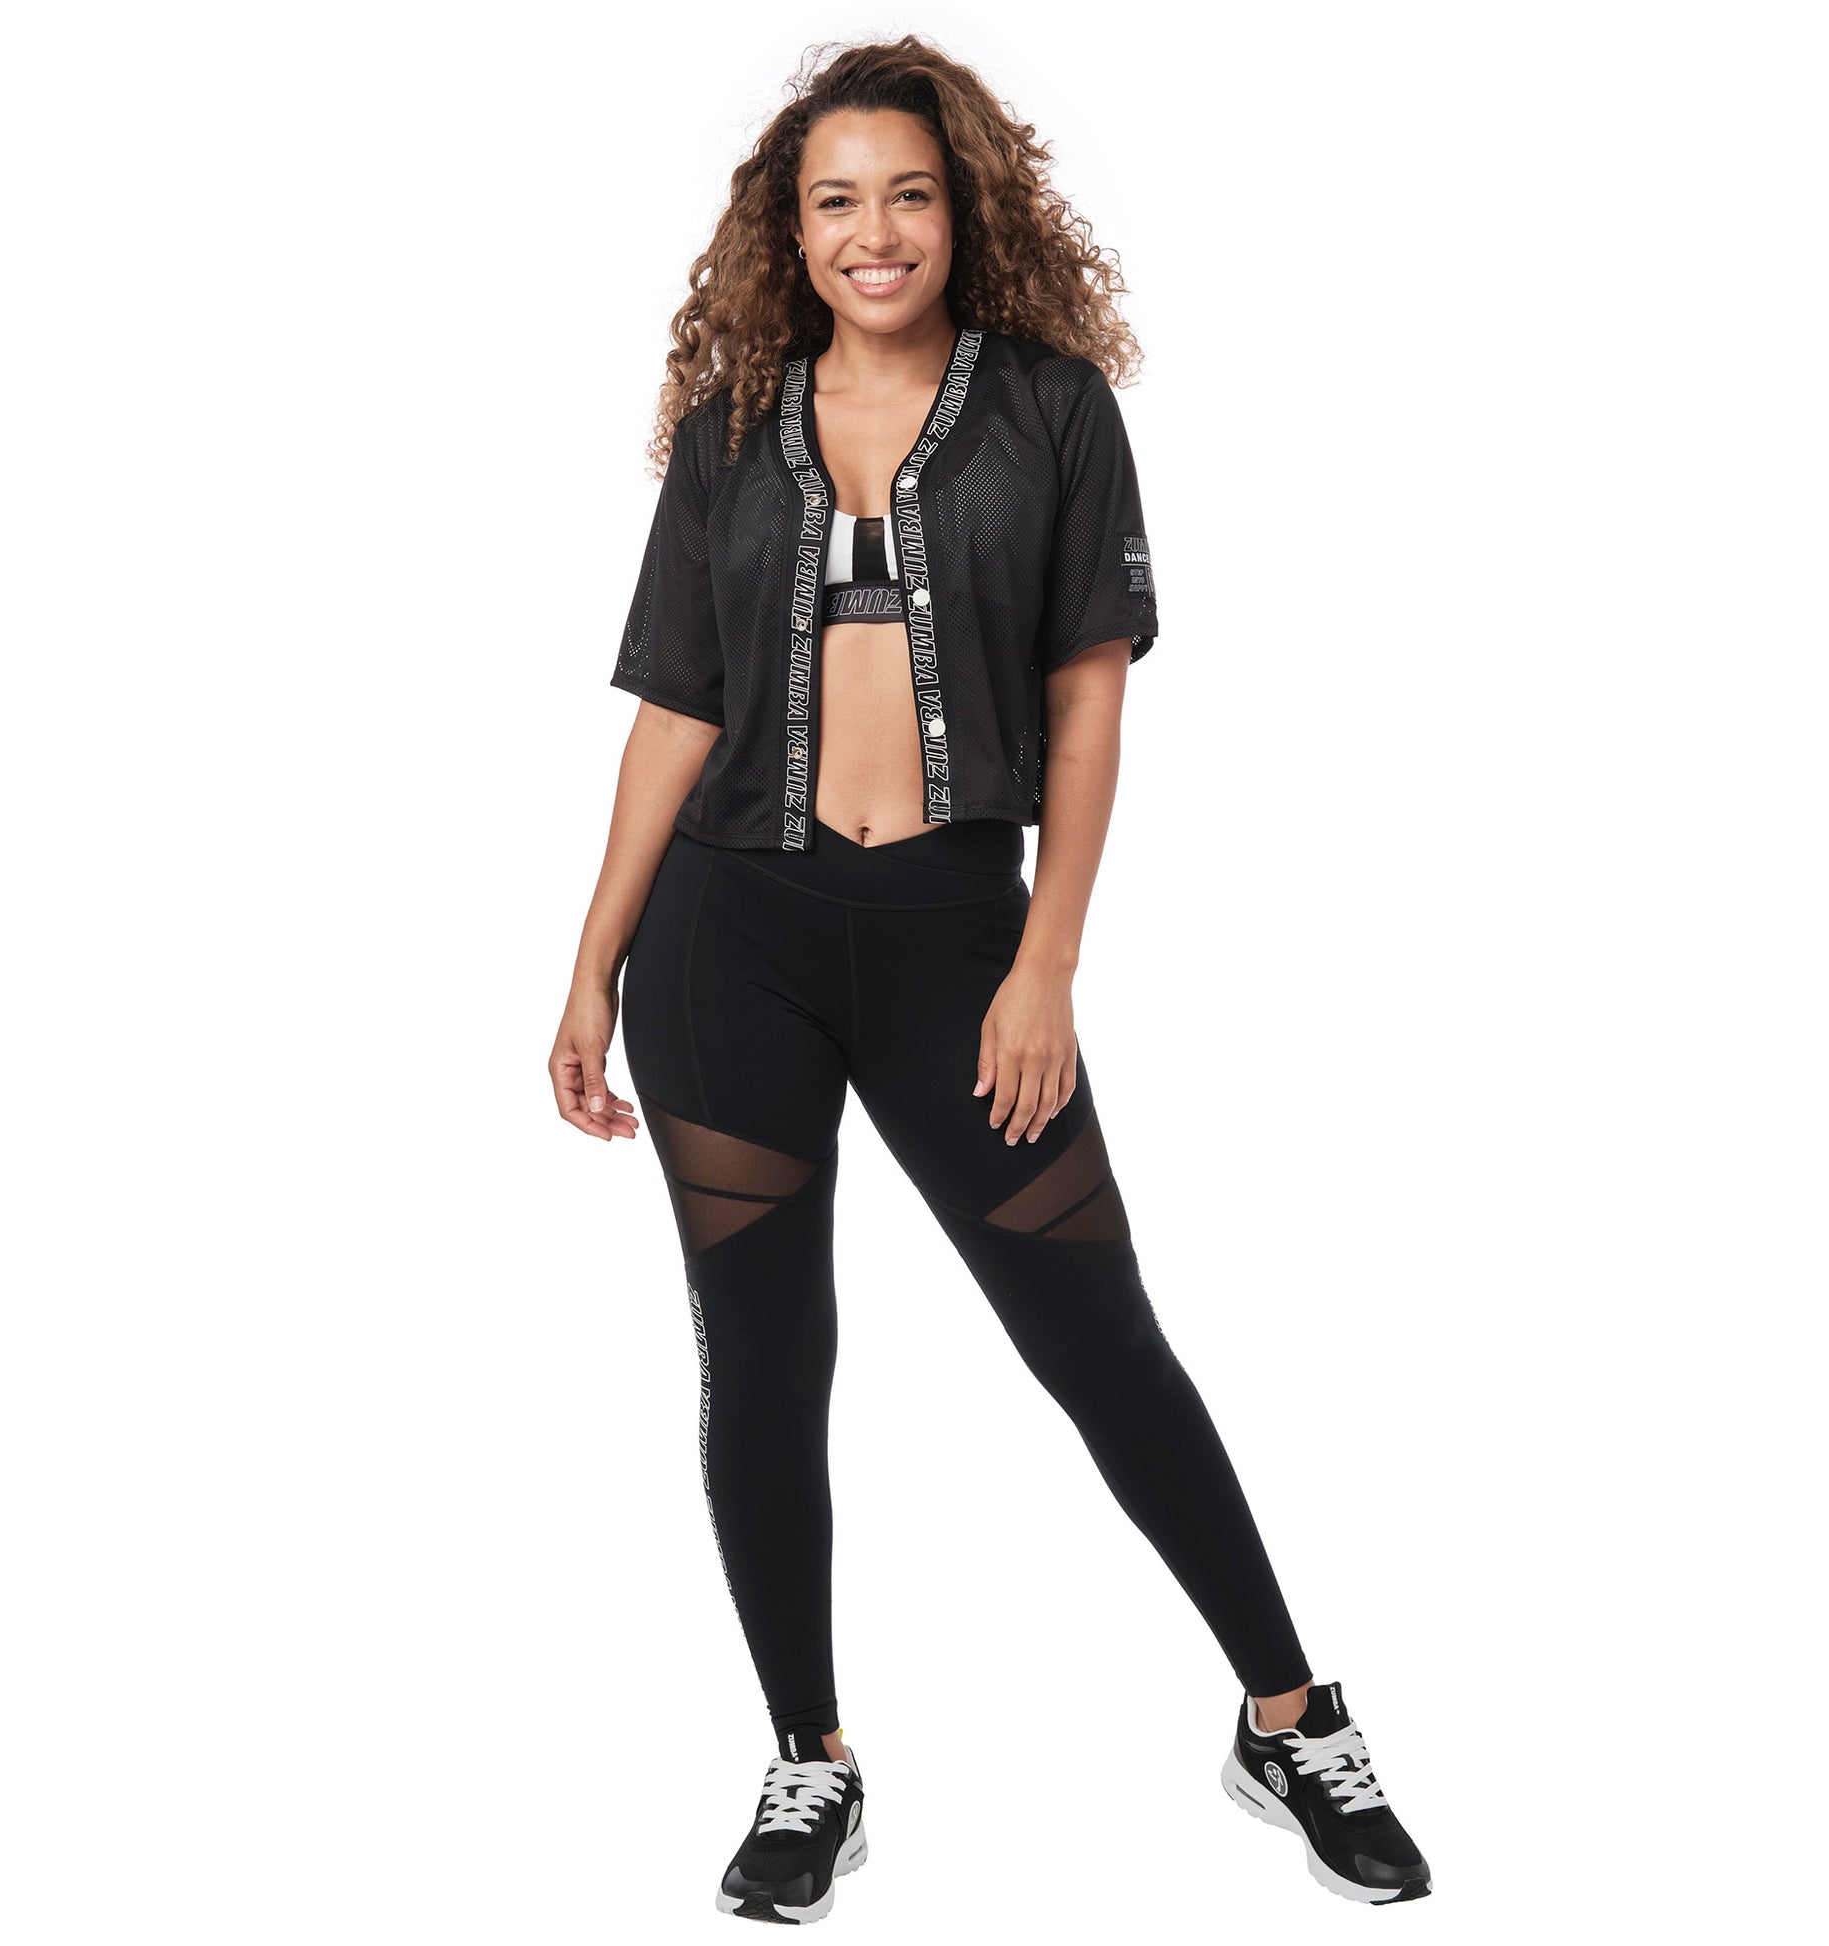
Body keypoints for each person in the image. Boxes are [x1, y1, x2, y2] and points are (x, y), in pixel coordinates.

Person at [552, 34, 1432, 1922]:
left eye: (908, 193)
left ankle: (1288, 1716)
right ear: (786, 229)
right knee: (761, 1360)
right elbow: (678, 706)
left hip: (957, 937)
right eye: (834, 200)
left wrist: (1045, 963)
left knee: (1093, 1335)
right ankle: (808, 1758)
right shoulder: (728, 420)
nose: (872, 231)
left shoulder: (1050, 410)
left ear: (964, 209)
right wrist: (590, 964)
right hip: (726, 943)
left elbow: (1085, 703)